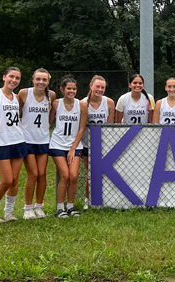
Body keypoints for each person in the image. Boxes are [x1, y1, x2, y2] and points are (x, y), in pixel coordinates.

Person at [0, 67, 27, 223]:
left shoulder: (17, 98)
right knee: (7, 180)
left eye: (17, 78)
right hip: (0, 143)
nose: (14, 80)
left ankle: (9, 212)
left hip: (17, 140)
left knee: (15, 180)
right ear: (4, 77)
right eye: (11, 77)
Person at [18, 68, 56, 219]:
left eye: (44, 80)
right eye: (38, 79)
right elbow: (18, 113)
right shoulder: (24, 93)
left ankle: (39, 206)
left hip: (43, 139)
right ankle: (27, 208)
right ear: (33, 80)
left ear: (48, 81)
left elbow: (51, 117)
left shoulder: (51, 95)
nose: (41, 82)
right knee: (33, 174)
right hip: (27, 139)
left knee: (42, 174)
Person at [49, 77, 88, 218]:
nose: (71, 91)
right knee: (64, 175)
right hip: (58, 144)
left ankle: (70, 206)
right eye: (69, 88)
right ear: (62, 89)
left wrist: (72, 149)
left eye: (74, 89)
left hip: (75, 145)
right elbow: (50, 121)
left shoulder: (82, 105)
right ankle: (60, 207)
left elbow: (82, 128)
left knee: (74, 176)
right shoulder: (56, 104)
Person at [81, 75, 115, 209]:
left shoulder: (109, 102)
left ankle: (103, 199)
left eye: (103, 87)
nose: (100, 89)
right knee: (92, 173)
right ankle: (87, 200)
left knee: (101, 174)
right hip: (87, 143)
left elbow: (111, 125)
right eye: (97, 86)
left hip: (103, 144)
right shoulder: (83, 103)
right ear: (91, 86)